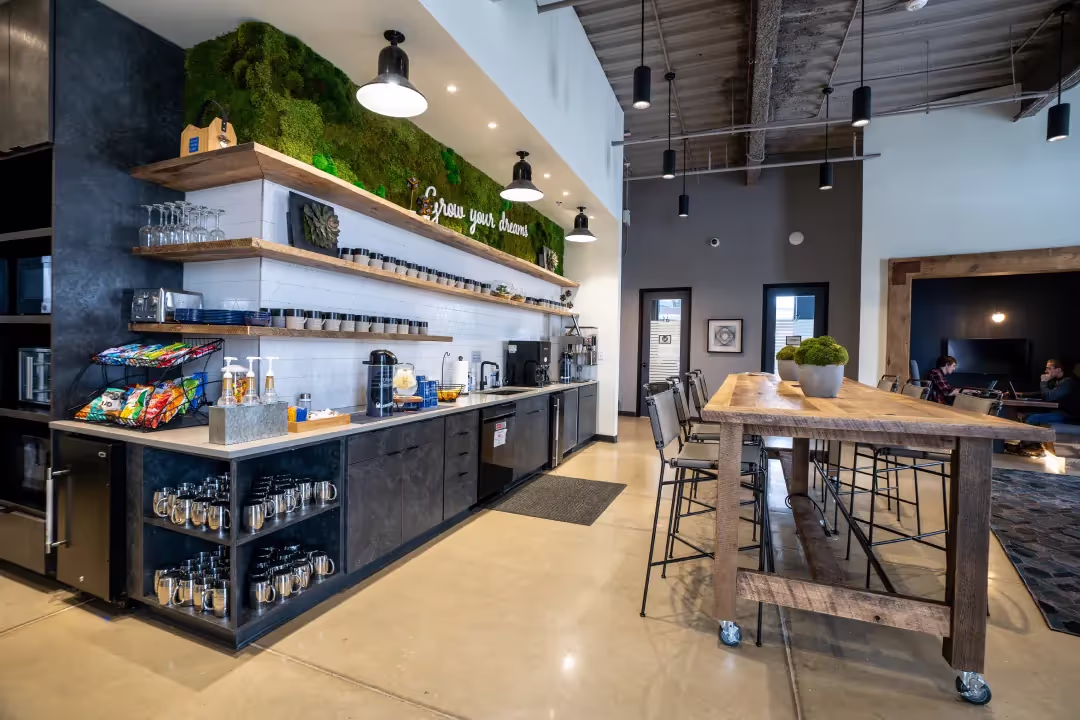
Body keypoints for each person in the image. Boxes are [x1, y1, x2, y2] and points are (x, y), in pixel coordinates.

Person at [1024, 359, 1080, 426]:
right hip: (1058, 412)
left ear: (1058, 370)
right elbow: (1043, 393)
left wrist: (1043, 382)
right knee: (1026, 415)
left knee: (1033, 418)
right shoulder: (1057, 381)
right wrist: (1021, 394)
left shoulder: (1068, 382)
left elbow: (1048, 397)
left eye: (1049, 369)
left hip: (1068, 416)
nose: (1045, 371)